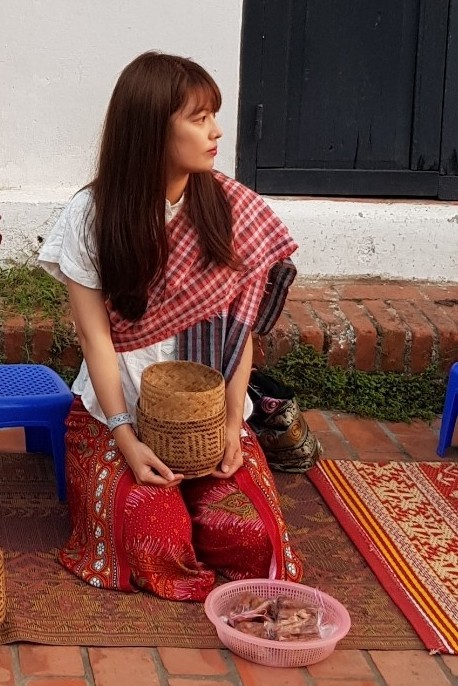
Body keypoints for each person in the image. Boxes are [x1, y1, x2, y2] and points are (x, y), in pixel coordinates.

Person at [38, 50, 303, 601]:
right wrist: (125, 436)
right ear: (153, 130)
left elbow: (238, 331)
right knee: (158, 546)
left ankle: (199, 506)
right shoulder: (92, 215)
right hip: (118, 411)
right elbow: (95, 337)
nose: (216, 132)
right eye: (199, 118)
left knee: (257, 544)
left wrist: (229, 426)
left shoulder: (231, 209)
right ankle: (171, 510)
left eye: (213, 116)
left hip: (210, 414)